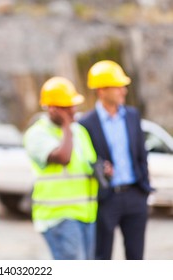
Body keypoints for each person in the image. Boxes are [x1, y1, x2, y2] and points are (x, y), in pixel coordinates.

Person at [79, 60, 154, 260]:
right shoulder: (85, 124)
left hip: (135, 195)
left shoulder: (132, 115)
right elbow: (85, 160)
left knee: (136, 257)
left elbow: (141, 154)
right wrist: (100, 168)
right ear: (102, 90)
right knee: (102, 257)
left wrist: (144, 188)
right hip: (106, 199)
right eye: (118, 86)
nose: (124, 91)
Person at [23, 76, 98, 260]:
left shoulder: (79, 131)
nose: (73, 111)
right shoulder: (37, 133)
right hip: (59, 217)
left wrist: (103, 170)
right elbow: (63, 158)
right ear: (52, 109)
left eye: (73, 105)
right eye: (67, 107)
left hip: (86, 214)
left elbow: (90, 164)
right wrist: (66, 125)